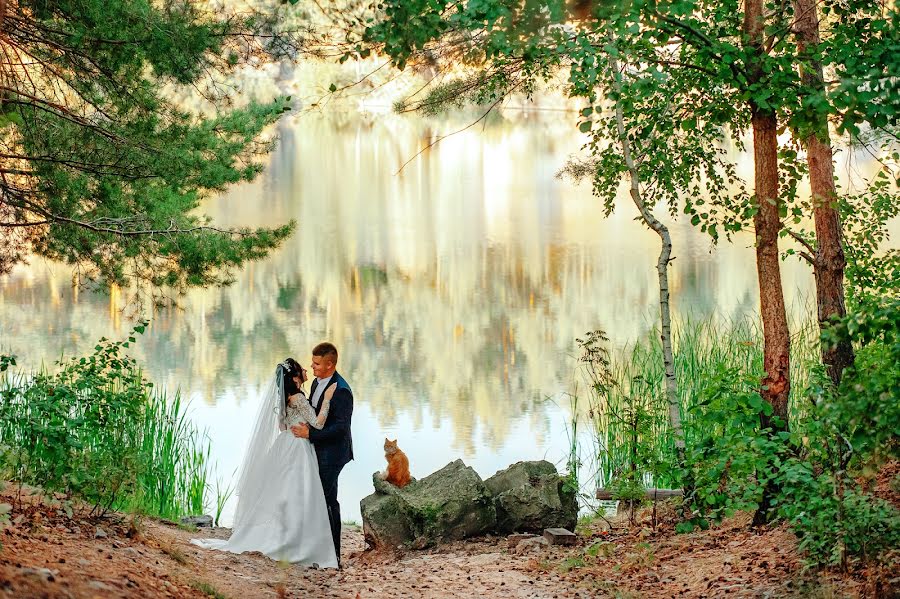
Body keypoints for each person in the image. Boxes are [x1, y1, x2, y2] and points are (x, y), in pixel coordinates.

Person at [191, 358, 338, 568]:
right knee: (298, 495)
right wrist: (327, 400)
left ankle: (282, 534)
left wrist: (296, 425)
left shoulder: (284, 398)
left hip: (284, 444)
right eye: (301, 368)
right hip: (298, 448)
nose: (306, 369)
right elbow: (318, 423)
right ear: (295, 377)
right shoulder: (297, 398)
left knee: (281, 494)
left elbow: (281, 426)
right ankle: (296, 541)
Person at [291, 342, 353, 568]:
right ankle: (321, 552)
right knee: (322, 499)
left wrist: (310, 435)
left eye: (317, 363)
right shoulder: (317, 382)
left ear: (330, 365)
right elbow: (316, 414)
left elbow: (341, 428)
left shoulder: (342, 391)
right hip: (317, 449)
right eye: (313, 362)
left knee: (325, 500)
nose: (312, 366)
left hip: (333, 453)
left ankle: (332, 556)